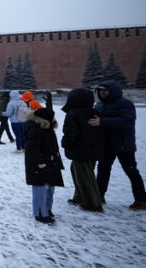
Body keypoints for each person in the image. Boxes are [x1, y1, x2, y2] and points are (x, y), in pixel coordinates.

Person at [91, 80, 146, 210]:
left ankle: (141, 200)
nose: (102, 94)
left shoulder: (126, 104)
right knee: (103, 170)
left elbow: (126, 121)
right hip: (107, 144)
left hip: (124, 144)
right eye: (100, 92)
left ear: (113, 92)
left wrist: (102, 122)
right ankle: (99, 196)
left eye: (105, 92)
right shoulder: (99, 105)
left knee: (131, 171)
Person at [61, 88, 104, 212]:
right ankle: (80, 196)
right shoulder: (94, 112)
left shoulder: (74, 113)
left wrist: (66, 144)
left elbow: (70, 133)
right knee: (81, 173)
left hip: (81, 149)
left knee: (85, 176)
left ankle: (93, 203)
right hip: (93, 149)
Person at [24, 108, 64, 224]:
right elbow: (32, 148)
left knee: (50, 187)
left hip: (50, 162)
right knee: (40, 188)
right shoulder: (34, 129)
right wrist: (39, 162)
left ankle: (47, 209)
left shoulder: (48, 128)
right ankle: (40, 212)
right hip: (39, 165)